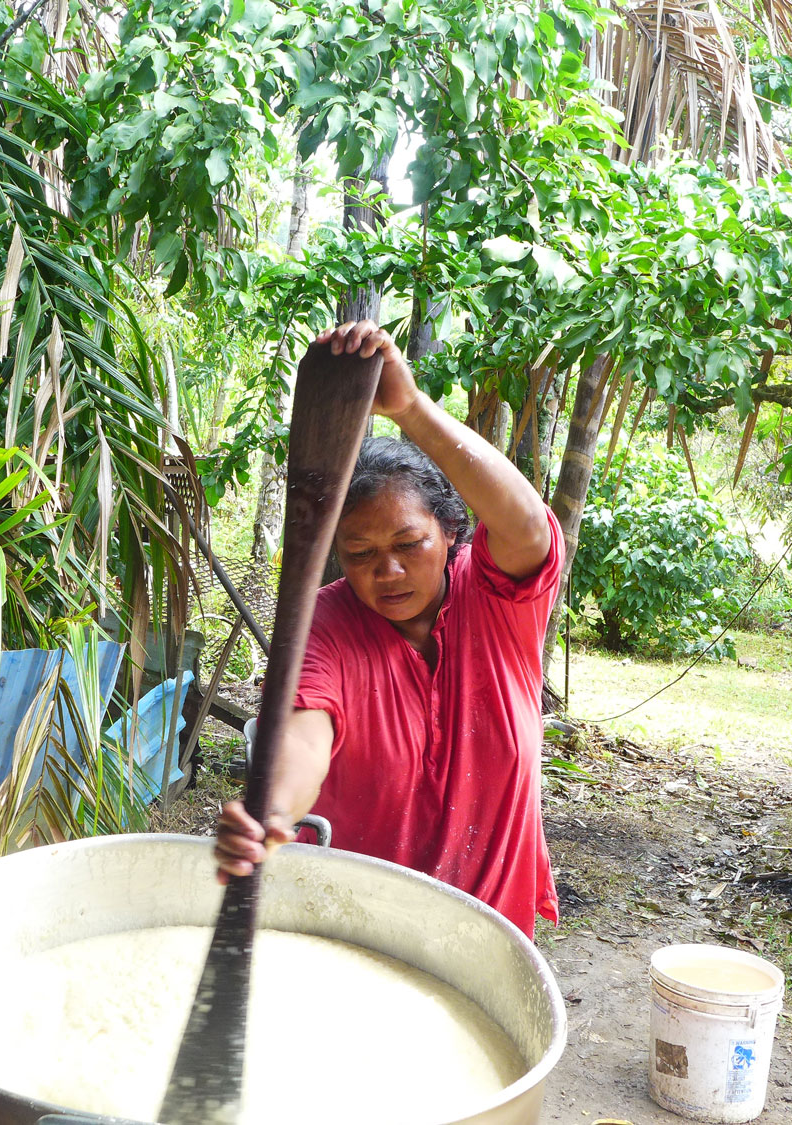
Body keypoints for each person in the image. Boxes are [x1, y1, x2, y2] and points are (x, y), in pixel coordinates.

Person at [215, 319, 564, 937]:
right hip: (362, 931)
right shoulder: (325, 620)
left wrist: (409, 407)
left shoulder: (497, 596)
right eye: (359, 553)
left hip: (493, 929)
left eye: (409, 543)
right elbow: (304, 732)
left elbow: (530, 527)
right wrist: (271, 812)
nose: (388, 571)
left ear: (452, 530)